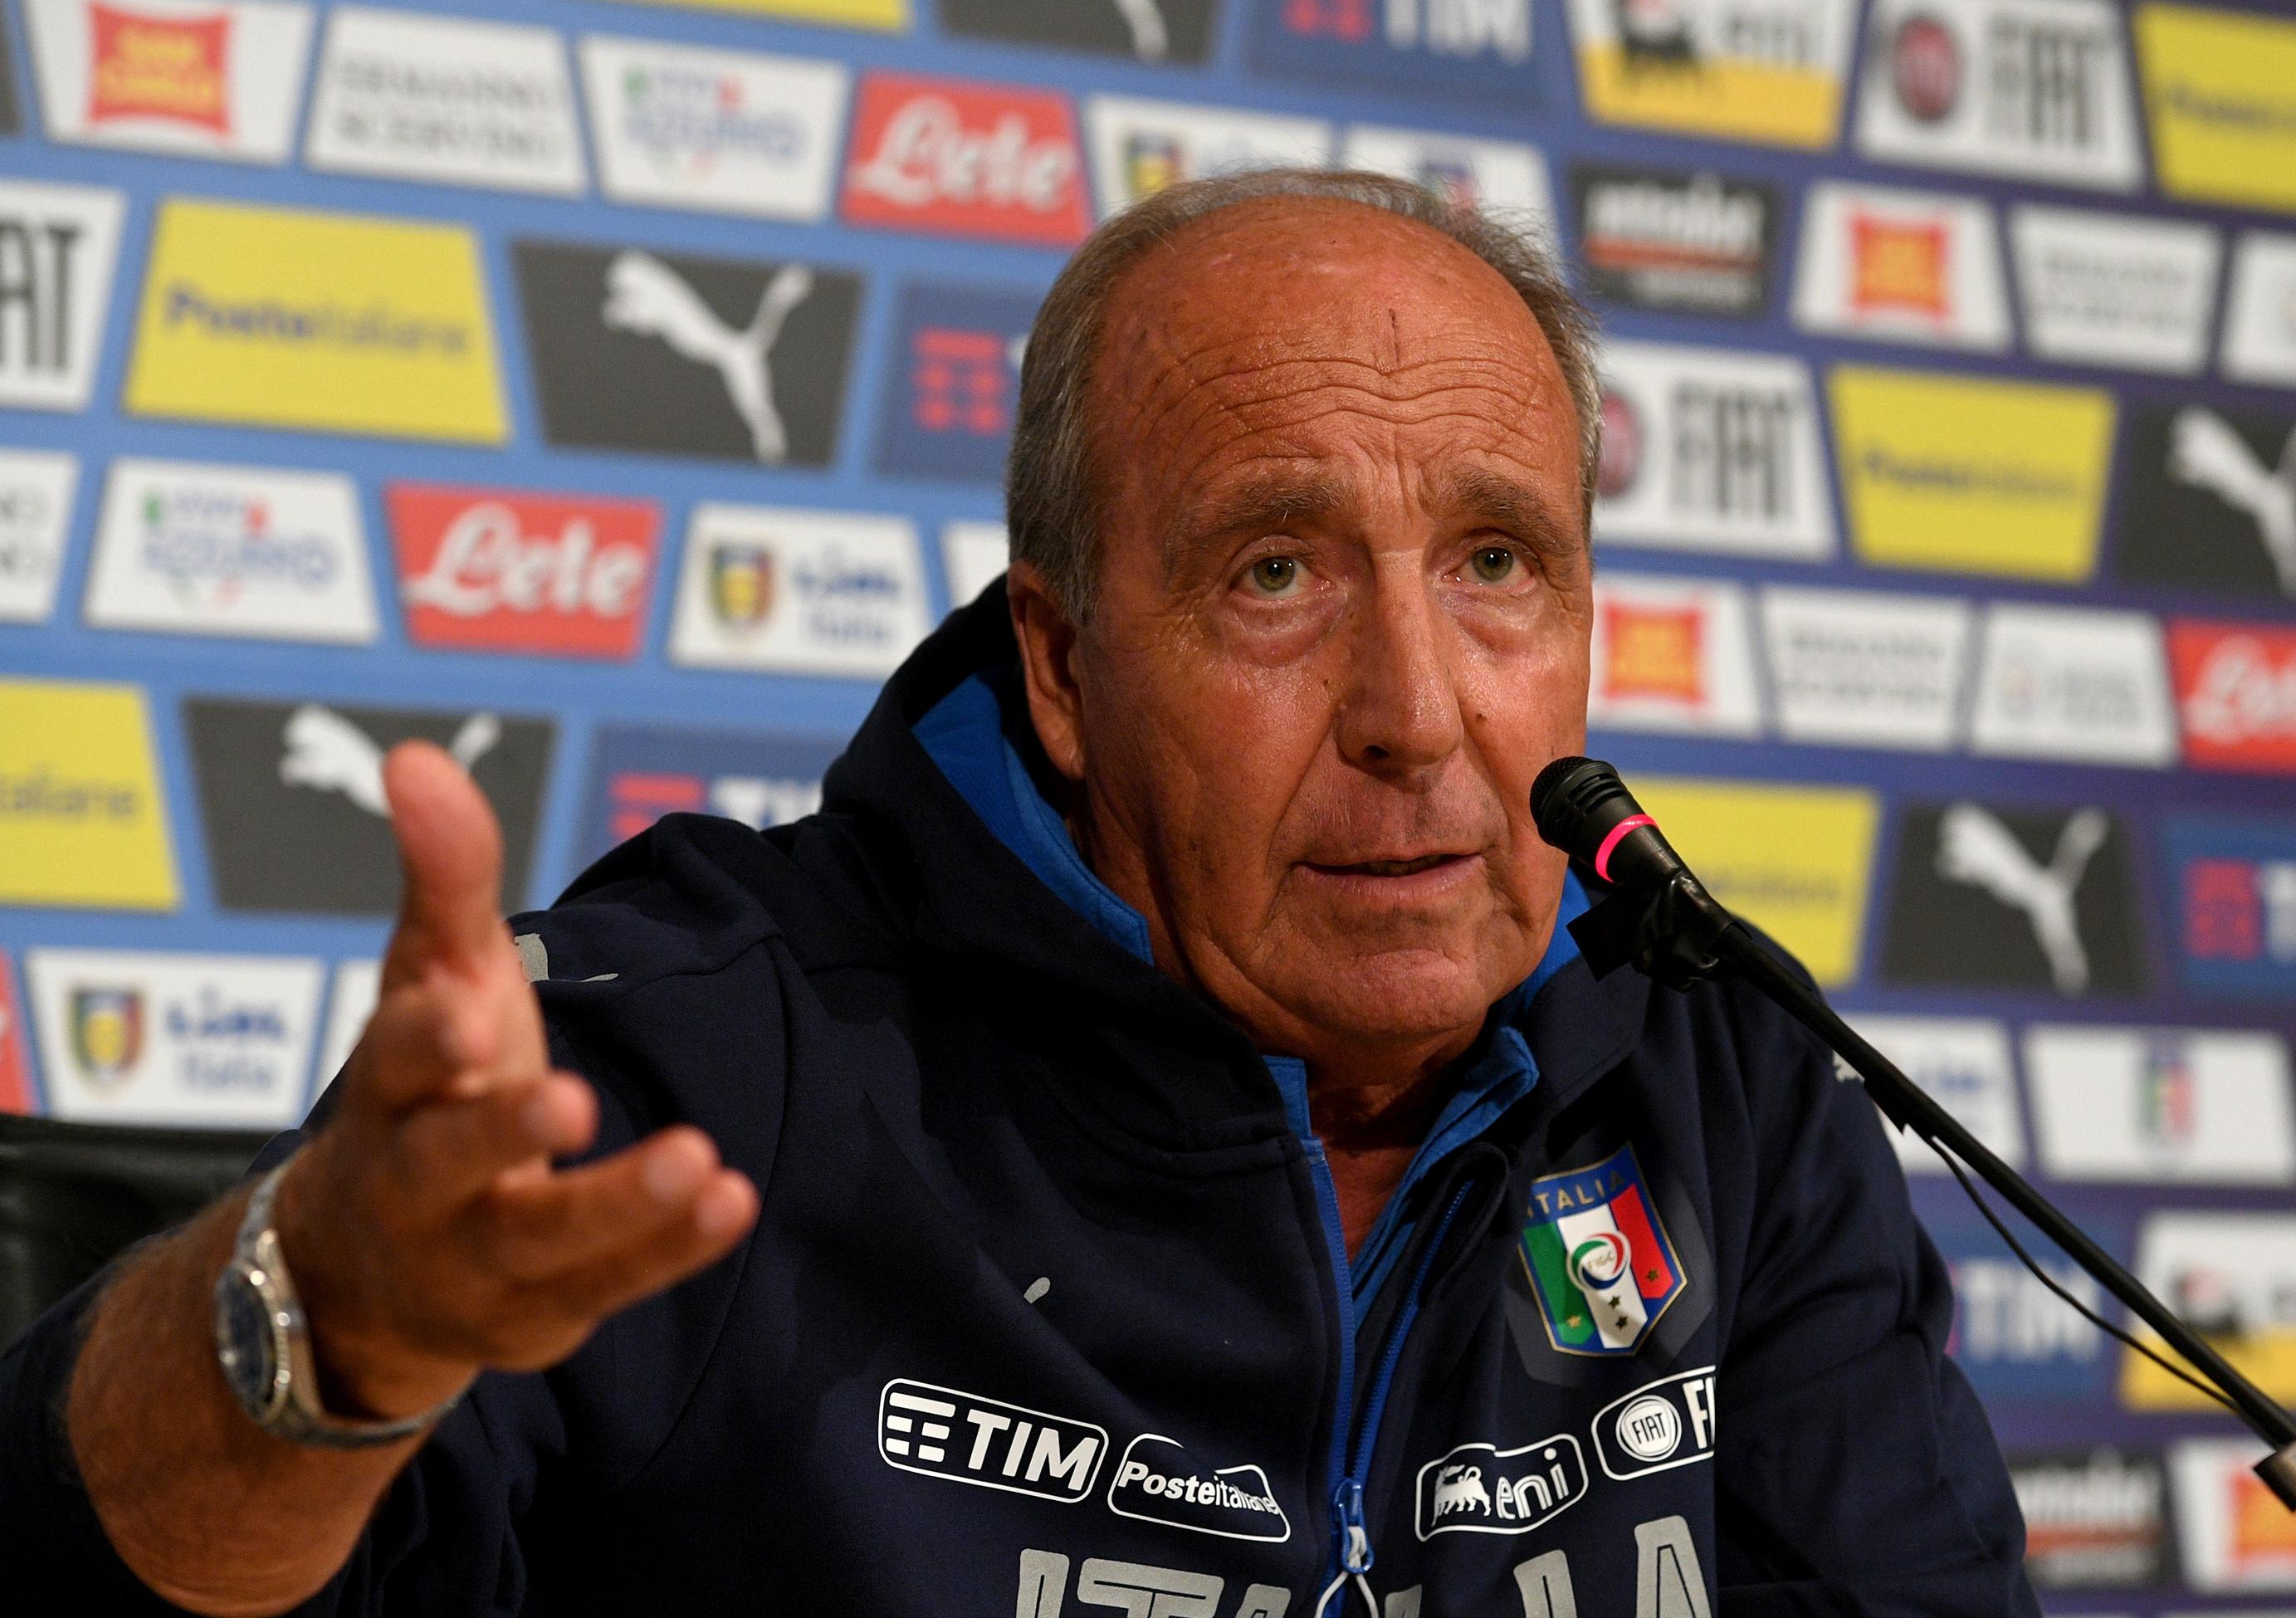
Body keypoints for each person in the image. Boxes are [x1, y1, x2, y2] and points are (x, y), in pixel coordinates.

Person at [0, 170, 2037, 1617]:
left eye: (1498, 564)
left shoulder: (1725, 1082)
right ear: (1063, 670)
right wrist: (308, 1336)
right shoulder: (702, 1050)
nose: (1419, 712)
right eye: (1274, 573)